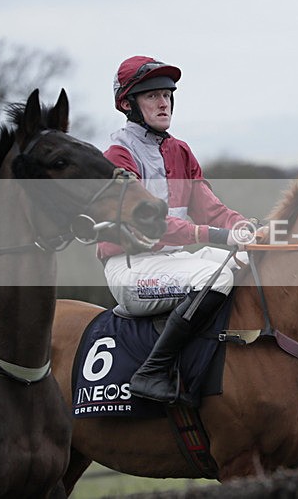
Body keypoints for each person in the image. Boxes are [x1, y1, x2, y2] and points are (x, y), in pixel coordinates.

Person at [98, 55, 255, 404]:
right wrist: (211, 235)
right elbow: (148, 223)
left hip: (172, 262)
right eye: (152, 95)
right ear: (127, 104)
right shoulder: (117, 157)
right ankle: (152, 371)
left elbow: (209, 207)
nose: (163, 102)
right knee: (216, 278)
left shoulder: (179, 150)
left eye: (167, 94)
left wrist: (241, 226)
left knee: (245, 263)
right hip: (131, 267)